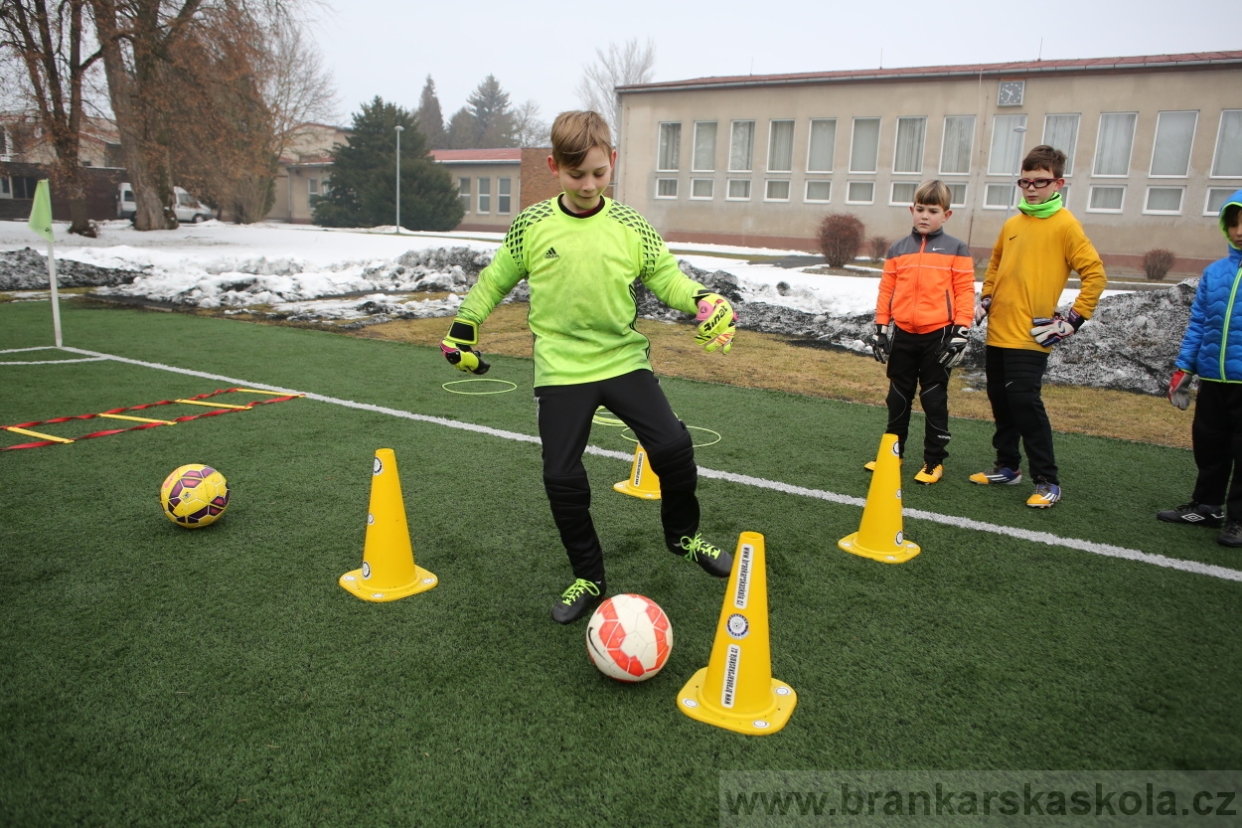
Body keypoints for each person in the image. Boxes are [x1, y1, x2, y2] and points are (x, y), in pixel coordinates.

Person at [439, 110, 738, 624]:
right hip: (561, 369)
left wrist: (704, 299)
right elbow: (495, 280)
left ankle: (683, 537)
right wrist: (465, 323)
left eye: (598, 173)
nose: (588, 184)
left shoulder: (630, 226)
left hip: (623, 360)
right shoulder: (532, 225)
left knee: (672, 447)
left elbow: (668, 278)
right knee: (561, 476)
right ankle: (590, 575)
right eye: (576, 174)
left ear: (612, 163)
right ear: (555, 167)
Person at [971, 145, 1107, 507]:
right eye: (1025, 181)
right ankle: (1008, 467)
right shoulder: (1012, 224)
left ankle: (1047, 480)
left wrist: (1072, 320)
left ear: (1058, 182)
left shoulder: (1066, 225)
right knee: (1001, 401)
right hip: (998, 331)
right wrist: (986, 298)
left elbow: (1095, 274)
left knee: (1025, 404)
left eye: (1040, 182)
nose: (1031, 189)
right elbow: (996, 265)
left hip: (1031, 336)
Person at [868, 179, 976, 484]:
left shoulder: (957, 248)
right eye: (920, 209)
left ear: (947, 215)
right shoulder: (898, 249)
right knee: (898, 396)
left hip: (938, 336)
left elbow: (965, 292)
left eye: (933, 210)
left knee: (933, 397)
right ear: (911, 210)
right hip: (903, 334)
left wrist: (961, 332)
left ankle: (933, 461)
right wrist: (880, 329)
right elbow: (886, 290)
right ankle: (894, 455)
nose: (925, 215)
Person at [1157, 189, 1242, 546]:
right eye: (1234, 222)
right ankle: (1208, 505)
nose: (1239, 230)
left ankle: (1238, 520)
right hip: (1212, 377)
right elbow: (1199, 324)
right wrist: (1184, 370)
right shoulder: (1216, 272)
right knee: (1209, 444)